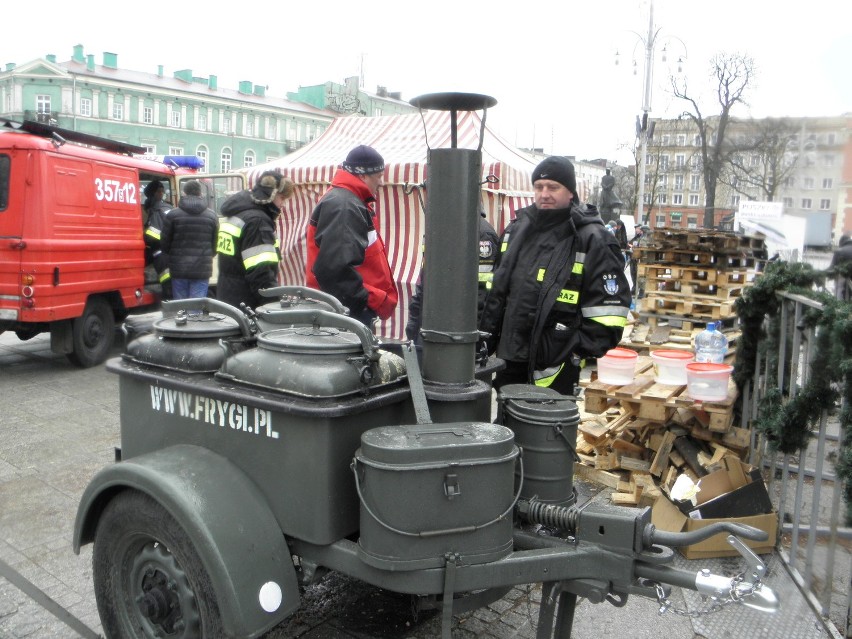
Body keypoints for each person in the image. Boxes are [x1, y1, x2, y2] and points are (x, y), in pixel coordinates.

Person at [479, 156, 632, 395]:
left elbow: (610, 313)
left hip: (556, 367)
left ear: (570, 192)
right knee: (506, 429)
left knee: (546, 433)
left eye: (553, 187)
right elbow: (496, 291)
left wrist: (573, 350)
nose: (544, 194)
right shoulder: (517, 230)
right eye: (539, 187)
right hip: (509, 360)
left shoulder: (592, 238)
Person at [306, 145, 398, 327]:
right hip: (347, 313)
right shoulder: (345, 206)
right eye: (378, 176)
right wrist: (363, 304)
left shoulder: (347, 201)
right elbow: (334, 270)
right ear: (362, 175)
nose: (381, 182)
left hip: (345, 309)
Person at [405, 208, 499, 343]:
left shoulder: (482, 233)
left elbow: (482, 294)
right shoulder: (436, 227)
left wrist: (473, 339)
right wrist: (413, 326)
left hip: (457, 334)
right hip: (428, 329)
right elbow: (424, 282)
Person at [216, 170, 295, 310]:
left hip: (227, 296)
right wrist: (275, 305)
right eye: (282, 198)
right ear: (271, 195)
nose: (283, 204)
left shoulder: (237, 213)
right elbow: (260, 273)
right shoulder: (257, 221)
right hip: (247, 303)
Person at [160, 180, 219, 300]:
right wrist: (206, 256)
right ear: (200, 193)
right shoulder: (212, 216)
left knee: (181, 308)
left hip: (179, 268)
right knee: (196, 307)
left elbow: (165, 243)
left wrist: (173, 256)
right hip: (202, 268)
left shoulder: (172, 215)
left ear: (184, 193)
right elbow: (215, 245)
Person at [143, 179, 172, 299]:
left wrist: (143, 234)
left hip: (161, 254)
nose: (161, 194)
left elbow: (152, 236)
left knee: (168, 286)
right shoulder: (169, 208)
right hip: (171, 253)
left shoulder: (156, 211)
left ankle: (170, 309)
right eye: (159, 192)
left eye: (161, 191)